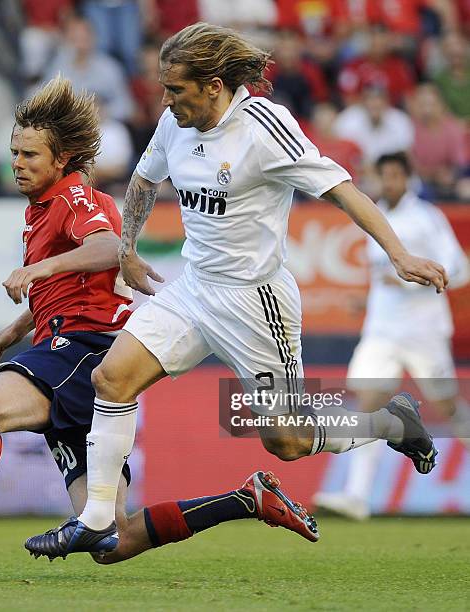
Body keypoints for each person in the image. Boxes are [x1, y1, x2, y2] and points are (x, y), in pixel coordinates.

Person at [24, 22, 448, 560]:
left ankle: (392, 421)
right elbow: (143, 180)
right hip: (194, 287)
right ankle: (96, 516)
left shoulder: (265, 127)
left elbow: (342, 188)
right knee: (112, 378)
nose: (166, 99)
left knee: (287, 443)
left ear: (214, 84)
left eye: (176, 89)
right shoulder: (175, 121)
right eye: (164, 88)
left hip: (255, 302)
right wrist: (127, 248)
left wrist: (400, 253)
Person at [0, 76, 320, 564]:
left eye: (30, 155)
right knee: (111, 539)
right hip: (80, 353)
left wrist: (36, 268)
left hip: (81, 352)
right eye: (15, 153)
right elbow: (74, 287)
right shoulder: (43, 211)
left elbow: (107, 250)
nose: (17, 164)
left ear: (62, 160)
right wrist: (20, 326)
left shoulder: (73, 198)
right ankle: (246, 500)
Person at [313, 152, 470, 520]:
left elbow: (458, 269)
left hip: (424, 332)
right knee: (367, 404)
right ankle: (356, 495)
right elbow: (382, 278)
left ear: (408, 177)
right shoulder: (374, 216)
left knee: (448, 409)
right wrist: (367, 299)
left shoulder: (425, 218)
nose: (391, 182)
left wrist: (412, 282)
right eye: (385, 176)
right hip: (381, 332)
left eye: (398, 175)